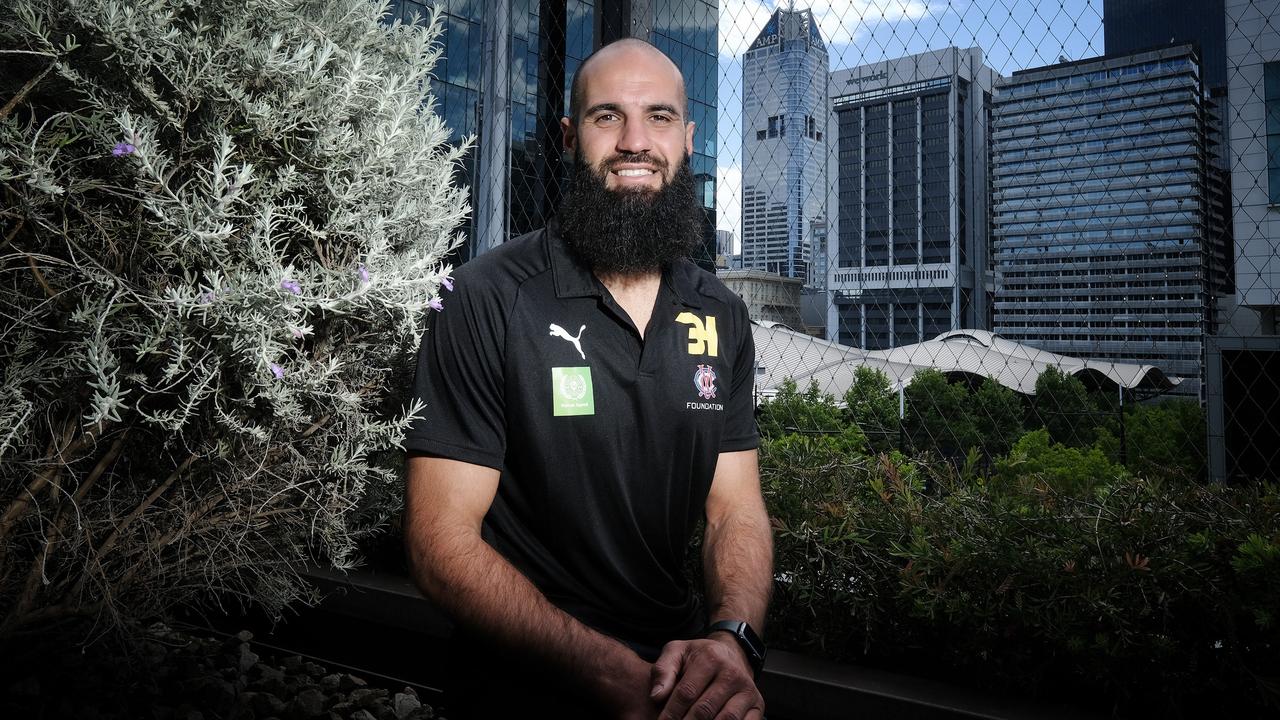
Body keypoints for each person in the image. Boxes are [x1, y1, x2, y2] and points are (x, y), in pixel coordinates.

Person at [402, 38, 773, 719]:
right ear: (570, 138)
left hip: (681, 683)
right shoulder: (487, 297)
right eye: (608, 117)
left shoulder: (720, 312)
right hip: (522, 688)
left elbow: (735, 511)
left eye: (659, 117)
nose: (636, 141)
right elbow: (439, 540)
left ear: (688, 140)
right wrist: (607, 675)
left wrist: (730, 642)